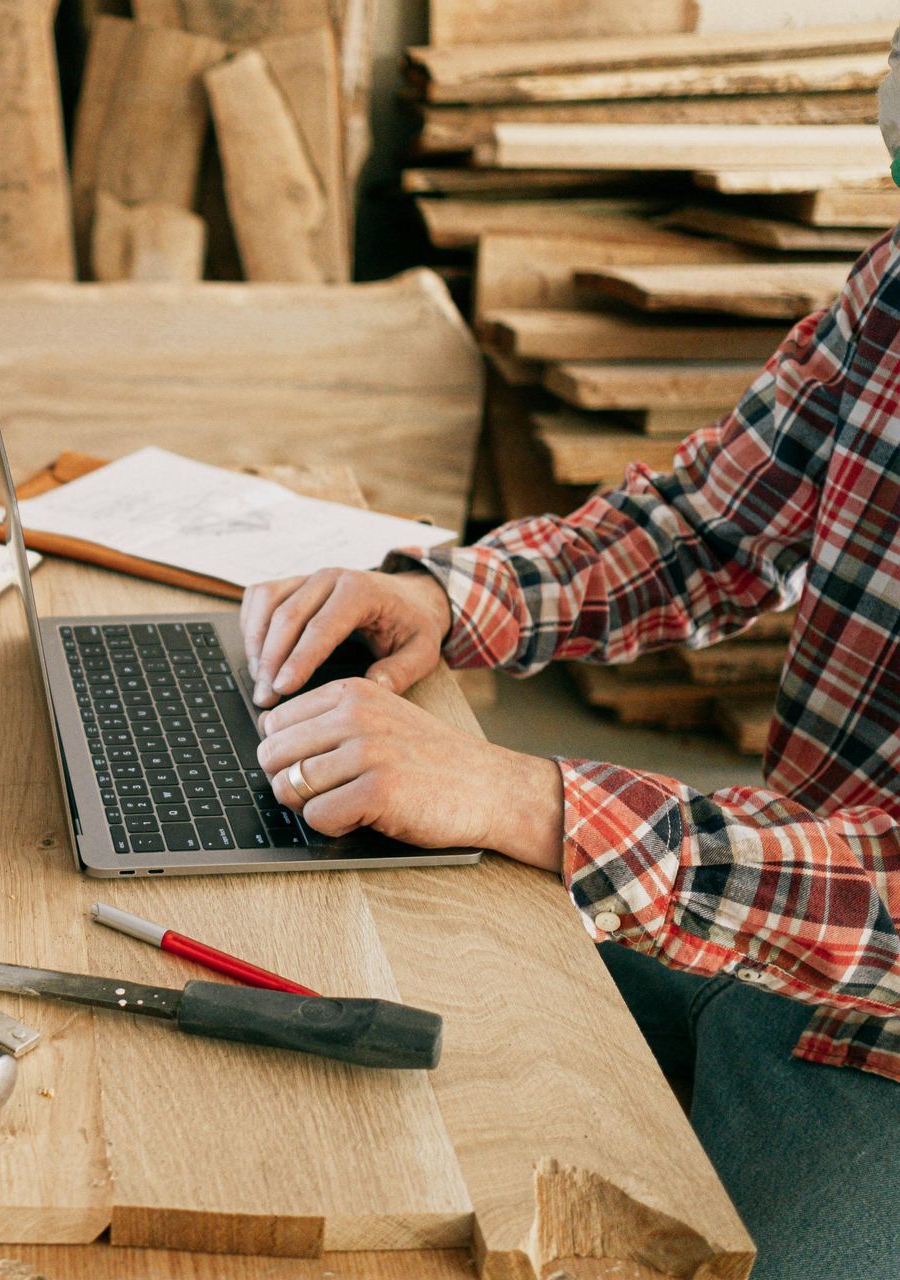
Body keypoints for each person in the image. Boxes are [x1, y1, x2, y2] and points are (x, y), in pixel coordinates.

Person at [238, 35, 900, 1280]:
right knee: (341, 1043)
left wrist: (527, 798)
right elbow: (710, 520)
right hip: (767, 924)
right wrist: (444, 597)